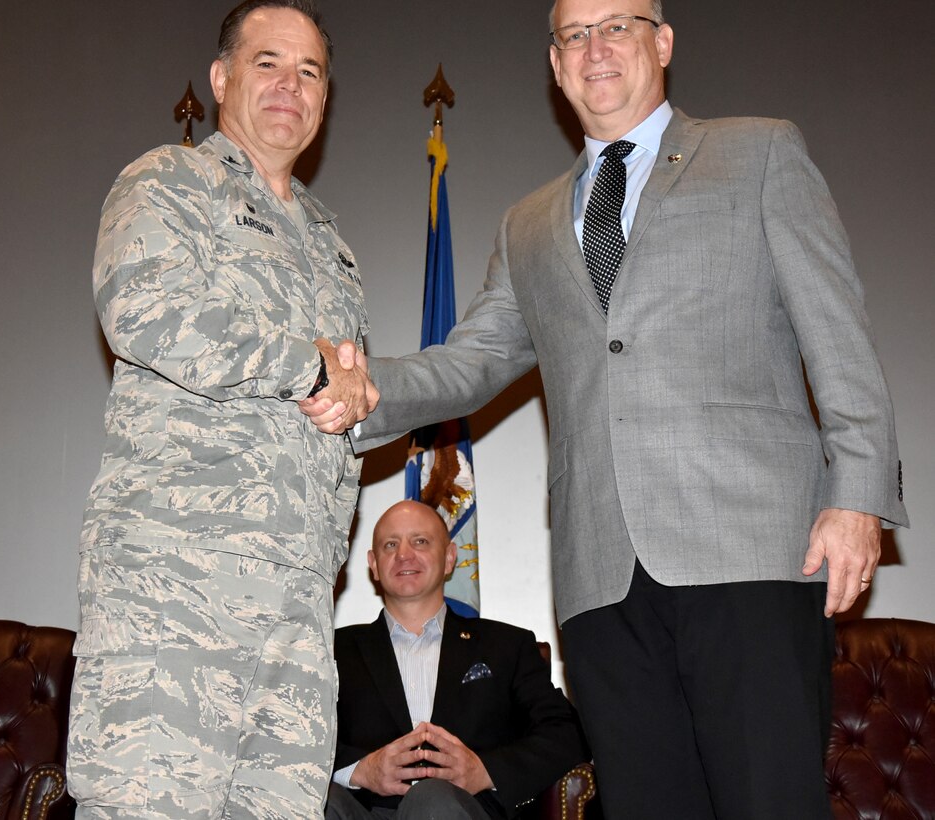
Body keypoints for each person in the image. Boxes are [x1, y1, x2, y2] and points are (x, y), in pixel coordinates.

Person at [305, 0, 910, 816]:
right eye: (574, 35)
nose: (597, 48)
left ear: (662, 42)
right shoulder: (529, 225)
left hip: (749, 553)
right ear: (555, 66)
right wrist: (359, 389)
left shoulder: (760, 151)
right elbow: (473, 360)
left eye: (618, 24)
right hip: (600, 578)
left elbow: (838, 329)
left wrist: (857, 494)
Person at [67, 1, 377, 817]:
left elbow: (340, 404)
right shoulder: (170, 181)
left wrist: (358, 406)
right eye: (268, 62)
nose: (290, 85)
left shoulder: (331, 243)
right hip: (177, 589)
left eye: (310, 71)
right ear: (221, 78)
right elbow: (144, 310)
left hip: (299, 607)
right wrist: (308, 363)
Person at [326, 500, 587, 820]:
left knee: (431, 797)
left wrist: (485, 771)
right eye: (390, 544)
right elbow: (290, 734)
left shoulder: (507, 645)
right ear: (374, 564)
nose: (404, 554)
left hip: (460, 808)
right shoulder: (330, 649)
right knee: (319, 800)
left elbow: (567, 731)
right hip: (360, 810)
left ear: (450, 557)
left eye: (420, 541)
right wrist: (360, 770)